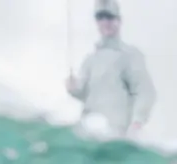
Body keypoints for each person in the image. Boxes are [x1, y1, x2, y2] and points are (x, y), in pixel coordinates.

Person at [66, 0, 156, 137]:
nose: (105, 22)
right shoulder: (90, 59)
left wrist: (137, 121)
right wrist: (73, 89)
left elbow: (144, 91)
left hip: (116, 132)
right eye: (100, 17)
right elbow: (84, 93)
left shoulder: (129, 55)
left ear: (119, 21)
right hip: (89, 130)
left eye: (109, 17)